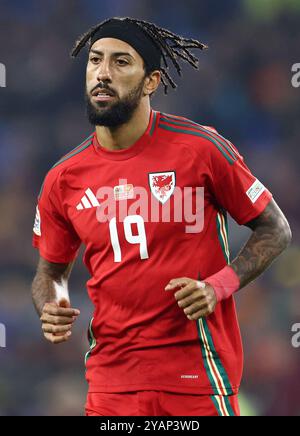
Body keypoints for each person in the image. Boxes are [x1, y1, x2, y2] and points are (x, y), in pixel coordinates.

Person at [31, 17, 291, 417]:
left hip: (197, 379)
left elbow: (275, 228)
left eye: (121, 62)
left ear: (151, 81)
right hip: (110, 387)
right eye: (95, 60)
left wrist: (216, 287)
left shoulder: (200, 148)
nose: (102, 73)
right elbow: (50, 272)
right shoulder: (63, 179)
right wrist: (53, 305)